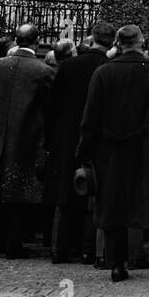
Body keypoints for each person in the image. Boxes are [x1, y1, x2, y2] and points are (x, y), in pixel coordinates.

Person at [76, 24, 149, 282]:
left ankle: (117, 266)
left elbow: (90, 118)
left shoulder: (103, 73)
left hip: (111, 150)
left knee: (115, 209)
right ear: (141, 42)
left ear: (118, 43)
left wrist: (85, 152)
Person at [0, 24, 55, 258]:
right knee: (16, 192)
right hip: (24, 138)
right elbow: (48, 110)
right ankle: (12, 245)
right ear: (36, 41)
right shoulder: (43, 71)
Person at [44, 21, 114, 264]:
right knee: (93, 194)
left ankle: (59, 249)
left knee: (65, 195)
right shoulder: (109, 68)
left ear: (92, 38)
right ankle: (88, 250)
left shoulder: (70, 66)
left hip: (67, 136)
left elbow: (52, 106)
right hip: (98, 137)